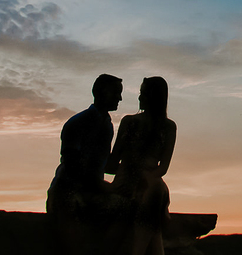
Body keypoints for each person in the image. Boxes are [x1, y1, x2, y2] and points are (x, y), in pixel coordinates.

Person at [48, 74, 127, 254]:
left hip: (93, 191)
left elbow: (105, 164)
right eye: (116, 93)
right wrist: (102, 186)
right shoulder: (78, 123)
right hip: (70, 192)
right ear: (101, 92)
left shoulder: (107, 124)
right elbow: (72, 166)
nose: (120, 98)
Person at [109, 76, 177, 255]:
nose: (139, 97)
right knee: (153, 196)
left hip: (150, 180)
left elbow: (163, 167)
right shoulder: (128, 122)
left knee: (153, 190)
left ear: (152, 96)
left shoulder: (169, 127)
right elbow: (114, 160)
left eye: (143, 93)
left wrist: (145, 177)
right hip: (128, 179)